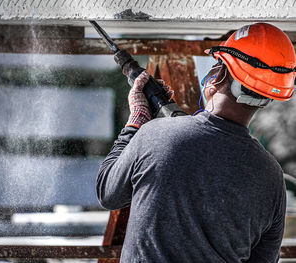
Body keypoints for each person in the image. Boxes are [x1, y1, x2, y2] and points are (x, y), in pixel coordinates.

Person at [96, 23, 296, 262]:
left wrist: (135, 123)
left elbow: (107, 192)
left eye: (217, 65)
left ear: (220, 74)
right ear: (267, 96)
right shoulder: (271, 177)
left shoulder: (155, 136)